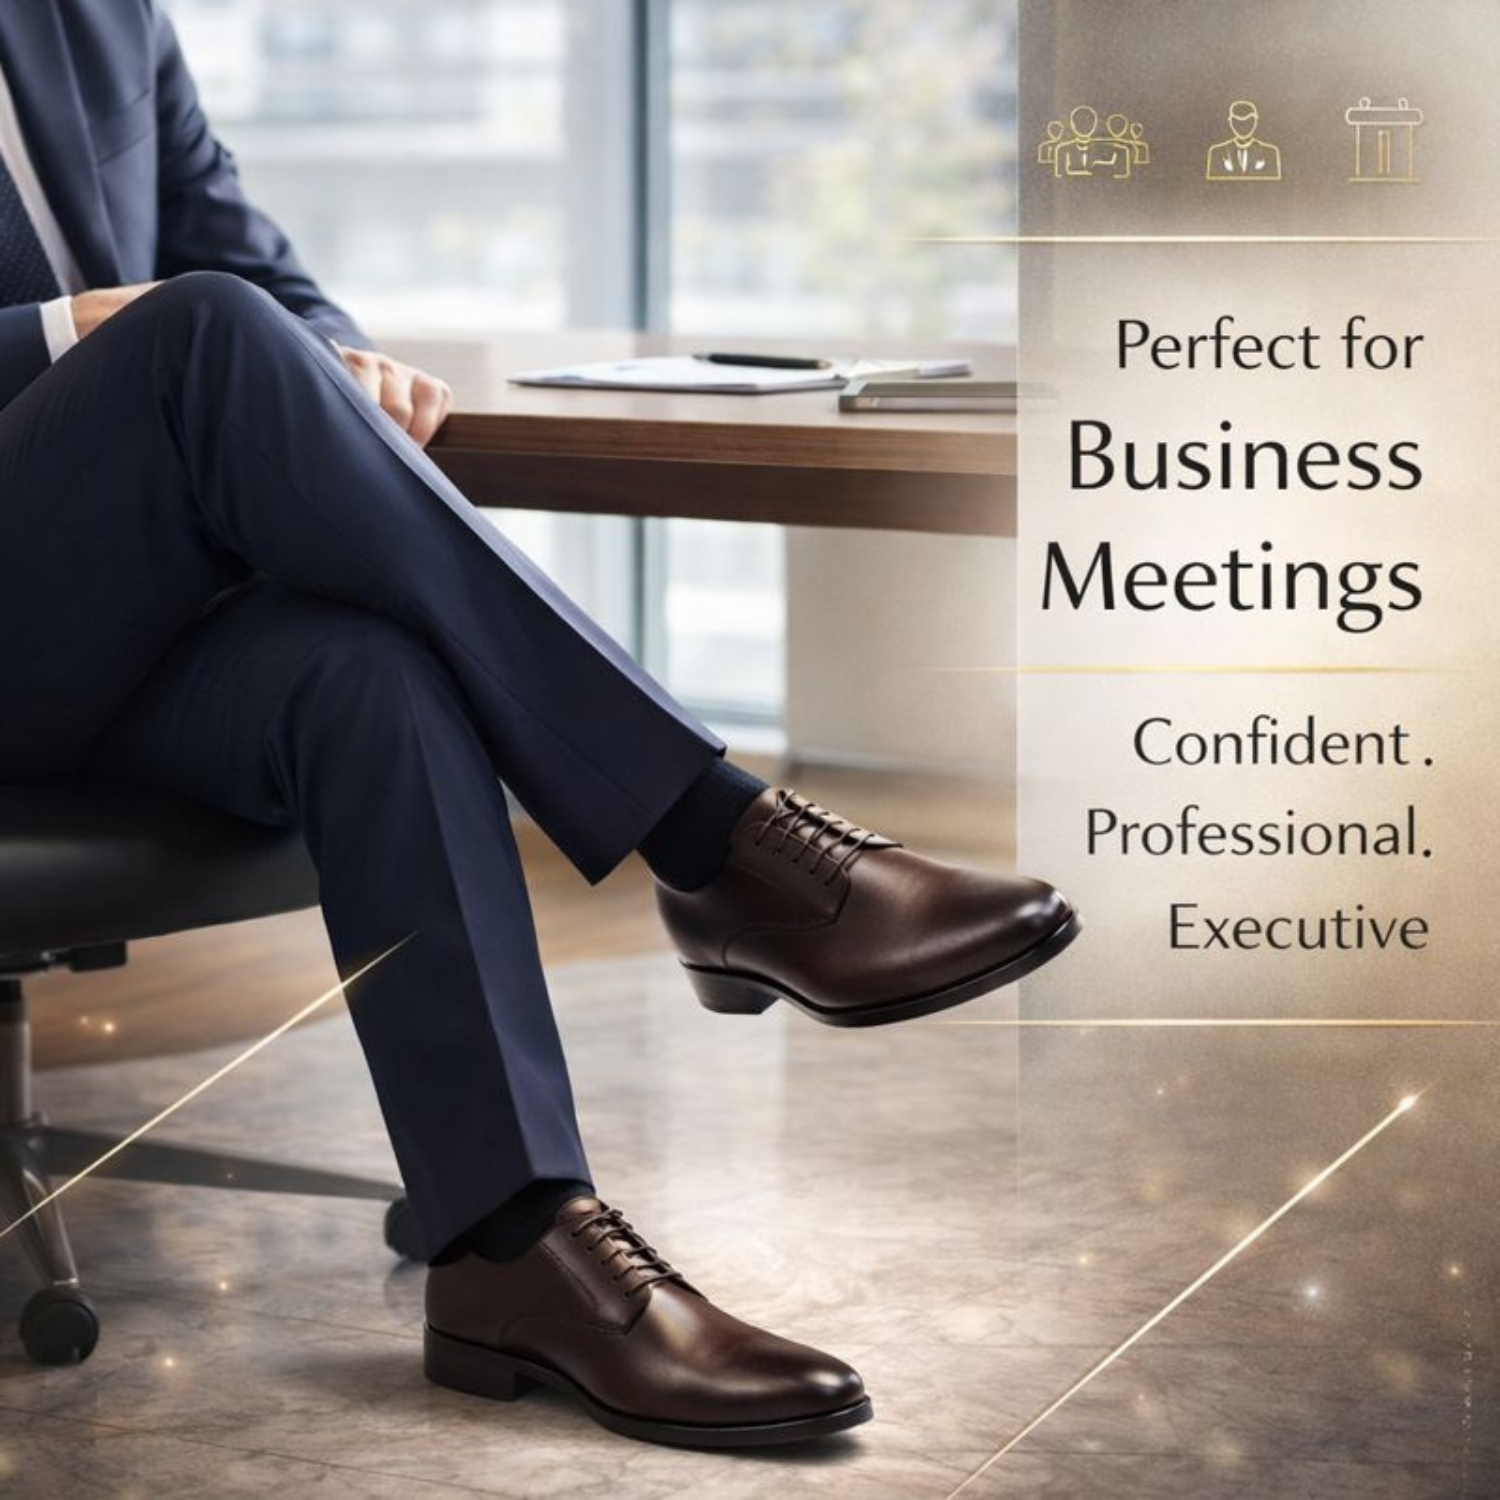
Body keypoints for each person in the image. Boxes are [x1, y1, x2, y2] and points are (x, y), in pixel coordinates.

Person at [0, 2, 1079, 1449]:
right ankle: (718, 849)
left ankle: (514, 1244)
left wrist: (327, 359)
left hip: (105, 622)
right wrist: (70, 330)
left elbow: (249, 260)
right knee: (197, 333)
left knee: (365, 671)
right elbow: (189, 317)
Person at [1205, 100, 1283, 180]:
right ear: (1230, 121)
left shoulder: (1270, 152)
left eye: (1249, 120)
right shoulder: (1217, 152)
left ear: (1256, 121)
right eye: (1236, 121)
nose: (1243, 126)